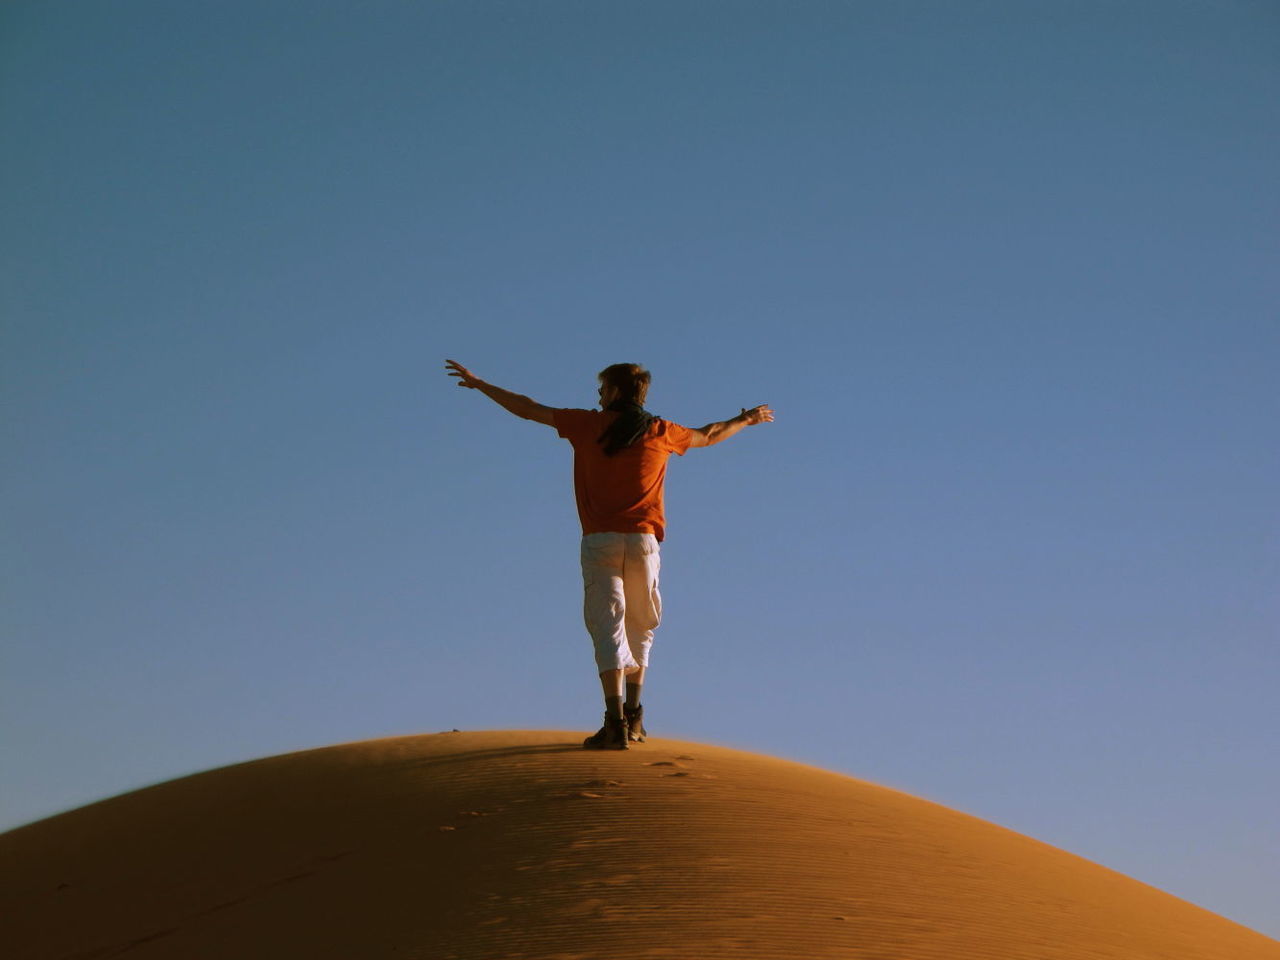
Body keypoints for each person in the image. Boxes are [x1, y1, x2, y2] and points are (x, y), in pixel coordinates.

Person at [445, 359, 773, 750]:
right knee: (641, 624)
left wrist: (482, 385)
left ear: (615, 392)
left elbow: (528, 408)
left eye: (602, 390)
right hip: (643, 541)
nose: (598, 397)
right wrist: (746, 420)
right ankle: (635, 718)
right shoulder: (661, 431)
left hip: (600, 540)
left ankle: (614, 722)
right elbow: (710, 433)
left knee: (608, 625)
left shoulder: (587, 425)